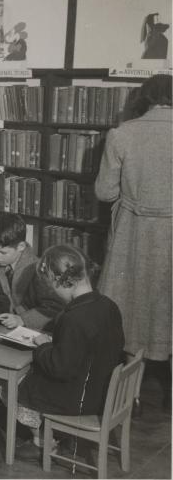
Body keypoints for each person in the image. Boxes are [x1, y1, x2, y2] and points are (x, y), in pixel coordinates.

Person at [95, 73, 172, 406]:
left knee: (132, 305)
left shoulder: (122, 134)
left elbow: (104, 191)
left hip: (133, 234)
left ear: (145, 97)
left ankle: (131, 392)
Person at [10, 244, 124, 447]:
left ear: (59, 280)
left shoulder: (72, 318)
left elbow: (59, 368)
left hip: (80, 400)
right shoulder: (108, 305)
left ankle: (43, 438)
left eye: (51, 286)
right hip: (104, 392)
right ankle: (49, 433)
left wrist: (43, 346)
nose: (53, 292)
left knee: (12, 383)